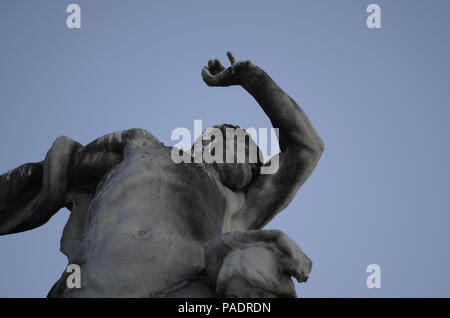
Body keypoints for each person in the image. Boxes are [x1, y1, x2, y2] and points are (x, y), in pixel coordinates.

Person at [0, 52, 324, 297]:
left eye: (244, 145)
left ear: (252, 171)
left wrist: (249, 76)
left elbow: (306, 148)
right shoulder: (140, 145)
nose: (230, 137)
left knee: (255, 258)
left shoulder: (240, 204)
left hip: (185, 293)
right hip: (97, 282)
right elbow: (44, 176)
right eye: (219, 134)